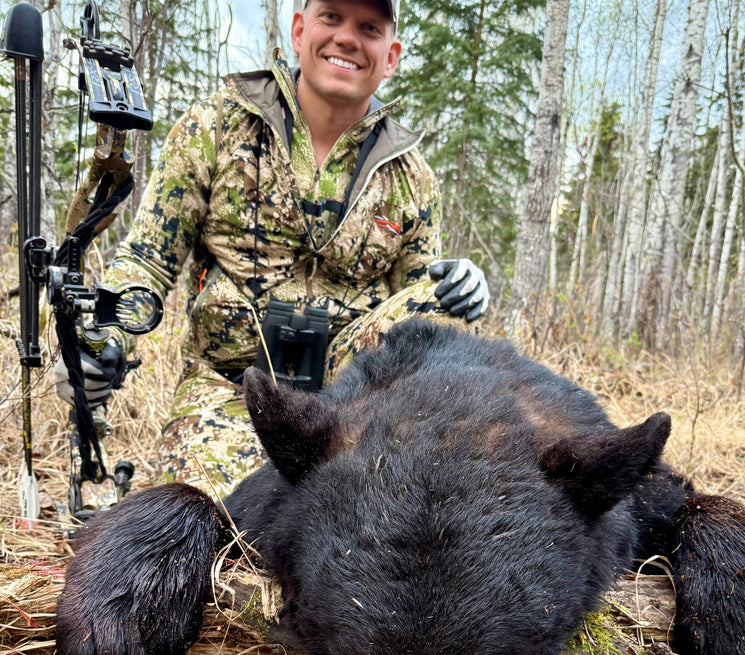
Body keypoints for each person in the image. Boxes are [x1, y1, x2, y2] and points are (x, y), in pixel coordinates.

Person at [56, 0, 490, 493]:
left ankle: (396, 473)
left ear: (390, 57)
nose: (347, 38)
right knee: (219, 518)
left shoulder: (413, 179)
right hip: (232, 388)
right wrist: (106, 337)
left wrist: (463, 287)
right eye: (332, 17)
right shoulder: (216, 127)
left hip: (354, 404)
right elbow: (148, 260)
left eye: (368, 27)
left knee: (443, 308)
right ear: (300, 28)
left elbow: (420, 319)